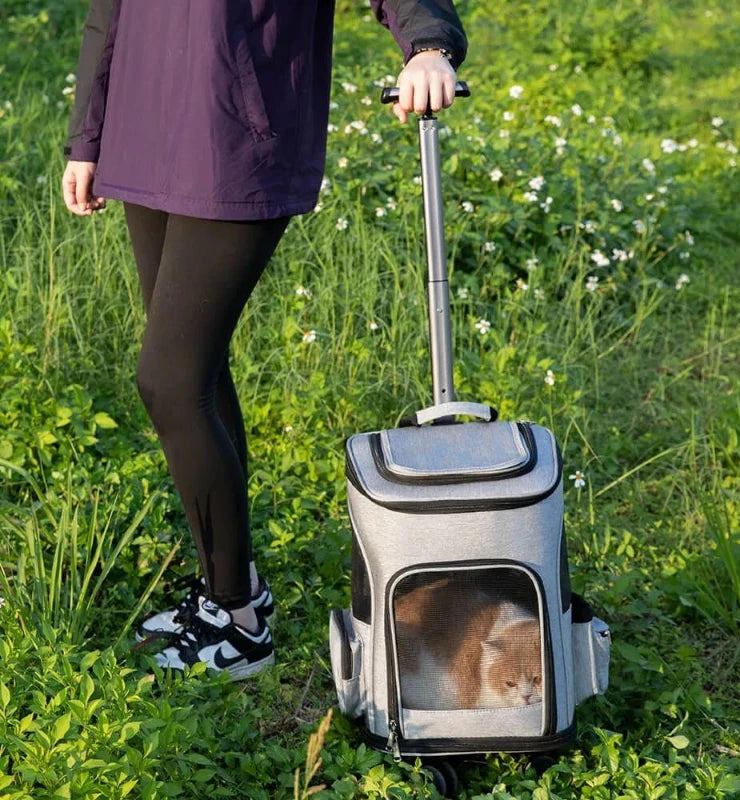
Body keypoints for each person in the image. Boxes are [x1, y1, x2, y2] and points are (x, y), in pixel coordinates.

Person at [62, 1, 468, 681]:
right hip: (144, 123)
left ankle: (239, 621)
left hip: (234, 135)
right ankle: (227, 588)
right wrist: (89, 136)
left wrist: (428, 45)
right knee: (196, 372)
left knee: (168, 380)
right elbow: (110, 14)